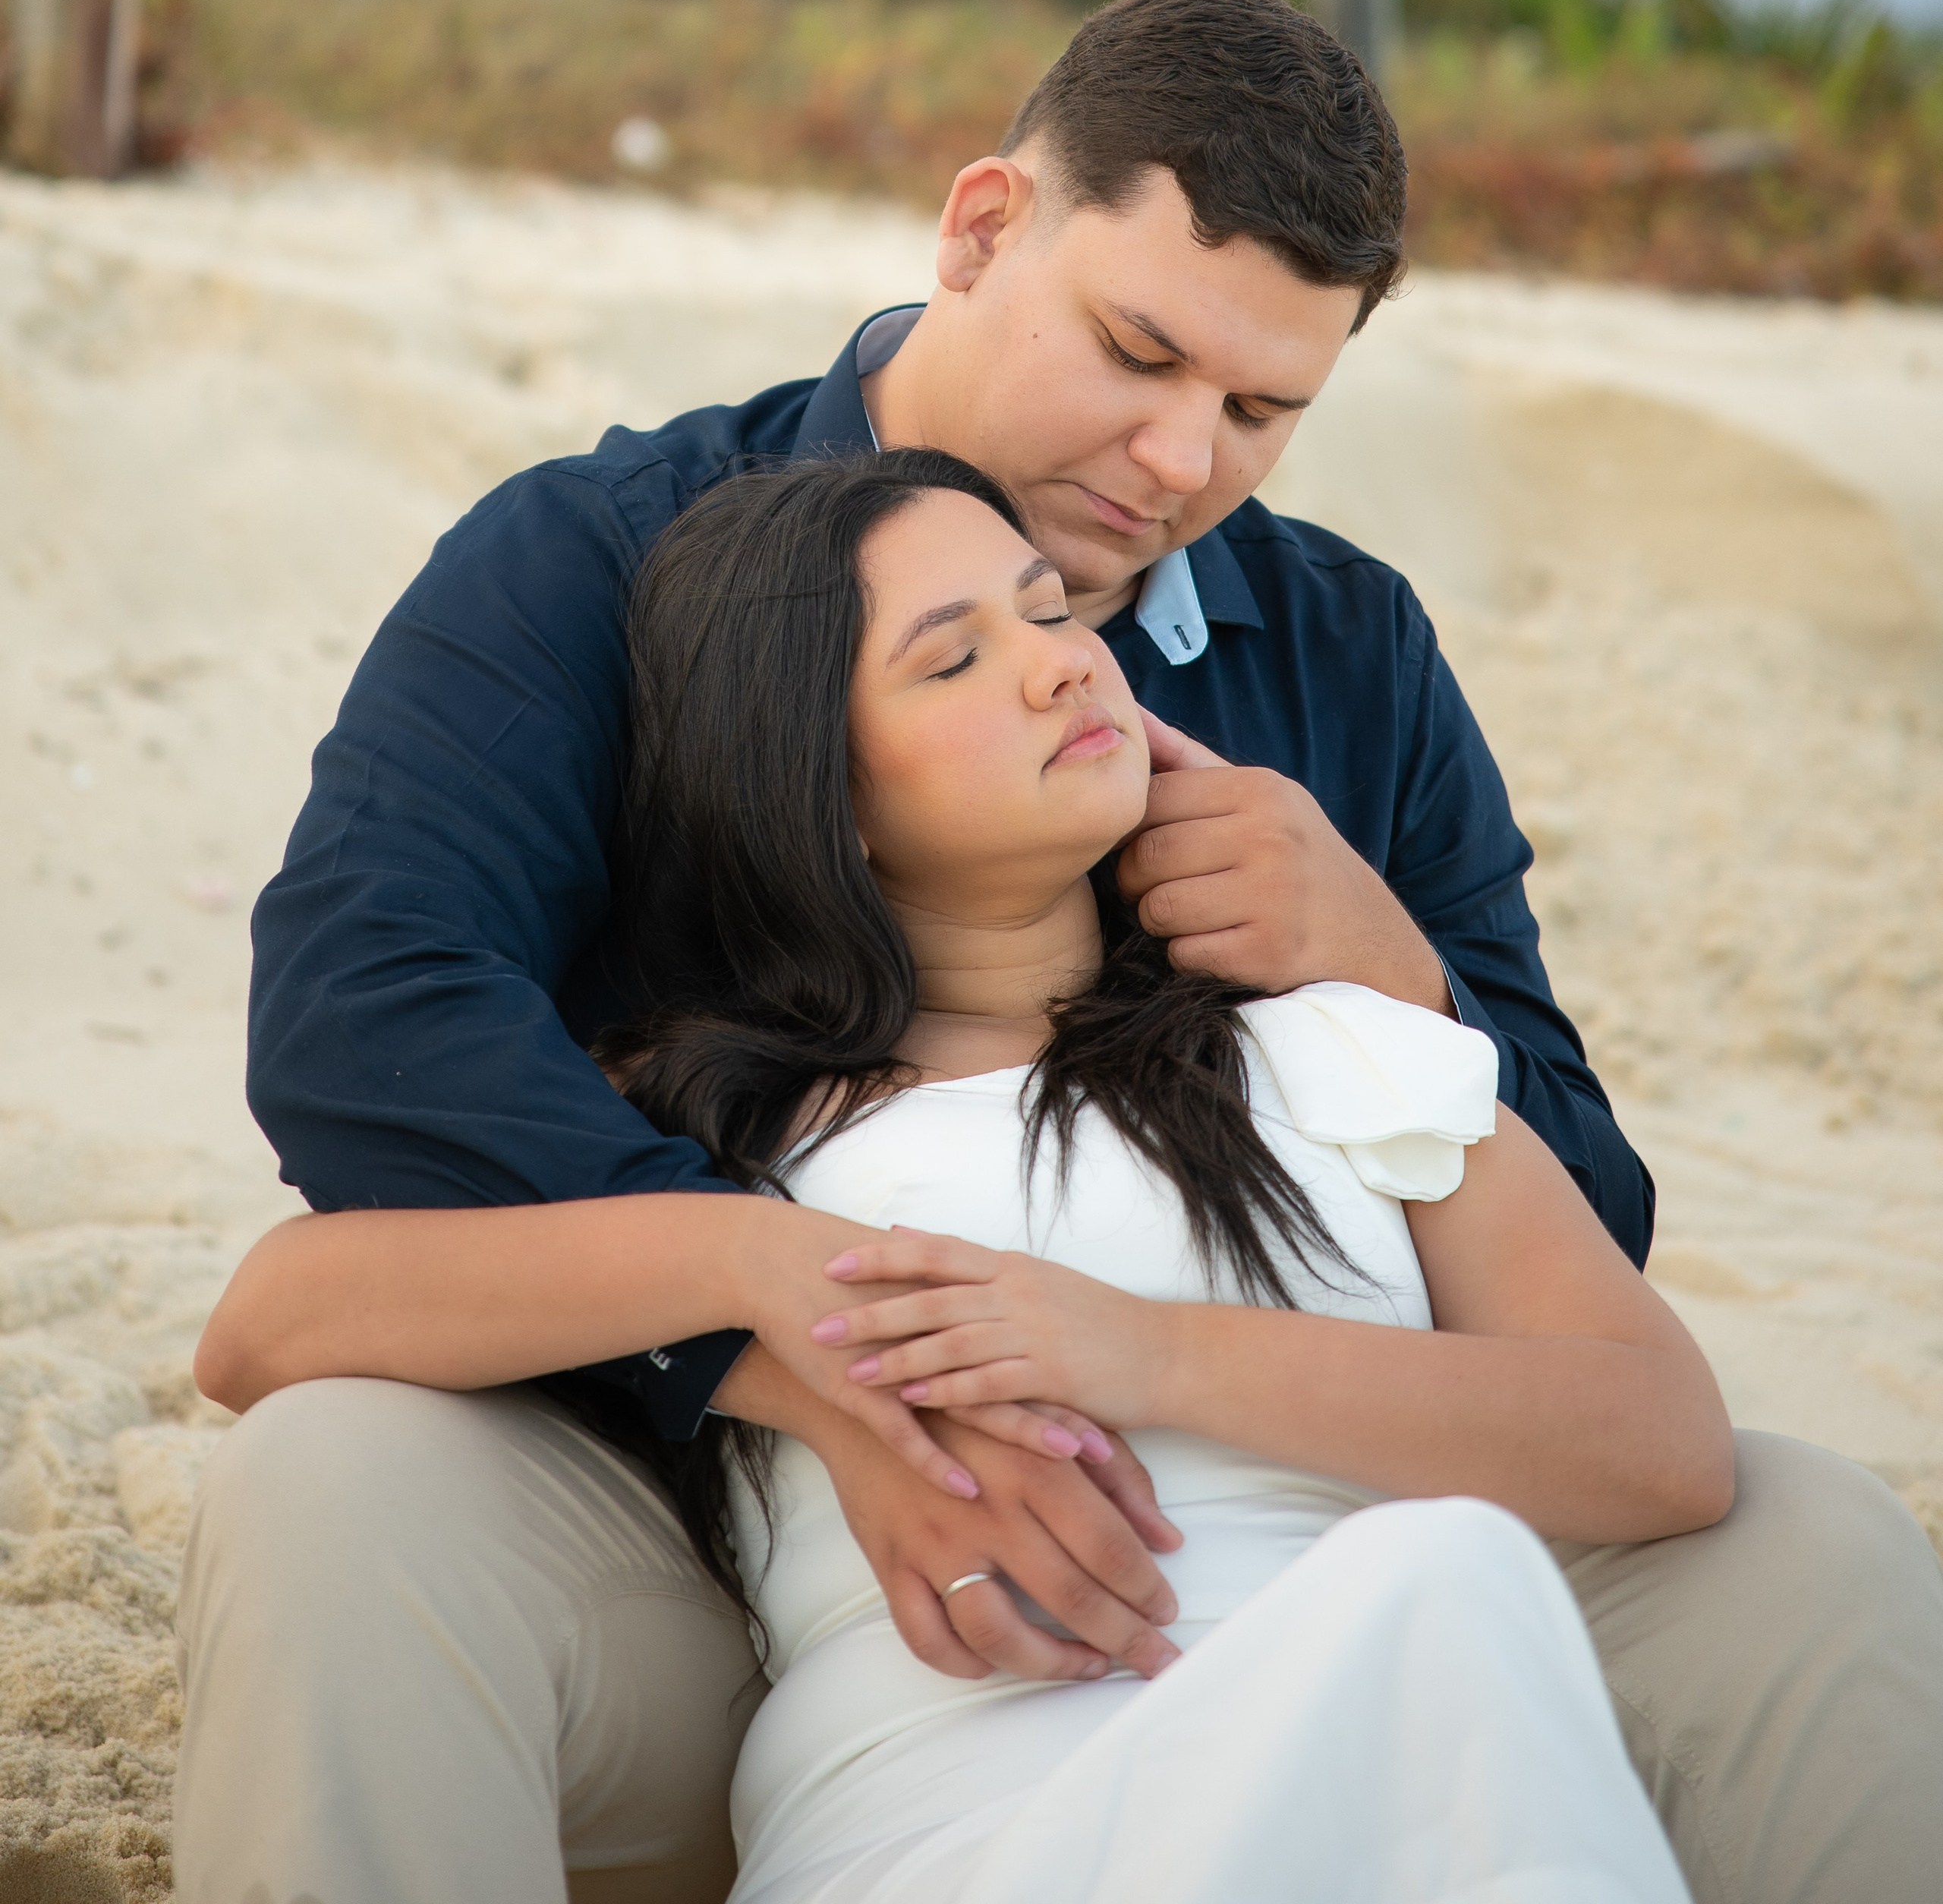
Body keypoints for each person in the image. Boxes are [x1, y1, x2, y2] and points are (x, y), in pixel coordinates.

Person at [176, 0, 1943, 1904]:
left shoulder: (1344, 660)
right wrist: (796, 1345)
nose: (1181, 463)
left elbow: (1577, 1234)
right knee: (332, 1480)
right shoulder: (598, 563)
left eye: (1263, 410)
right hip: (696, 1508)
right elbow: (369, 1029)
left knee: (1806, 1542)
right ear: (981, 227)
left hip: (1282, 1523)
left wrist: (1385, 969)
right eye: (1135, 352)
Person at [197, 450, 1722, 1902]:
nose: (1062, 663)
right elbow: (271, 1320)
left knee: (1441, 1583)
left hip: (1378, 1756)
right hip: (957, 1828)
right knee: (1441, 1595)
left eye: (1048, 612)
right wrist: (756, 1271)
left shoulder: (1331, 1047)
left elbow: (1659, 1439)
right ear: (819, 796)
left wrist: (1142, 1350)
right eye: (953, 660)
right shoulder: (726, 1129)